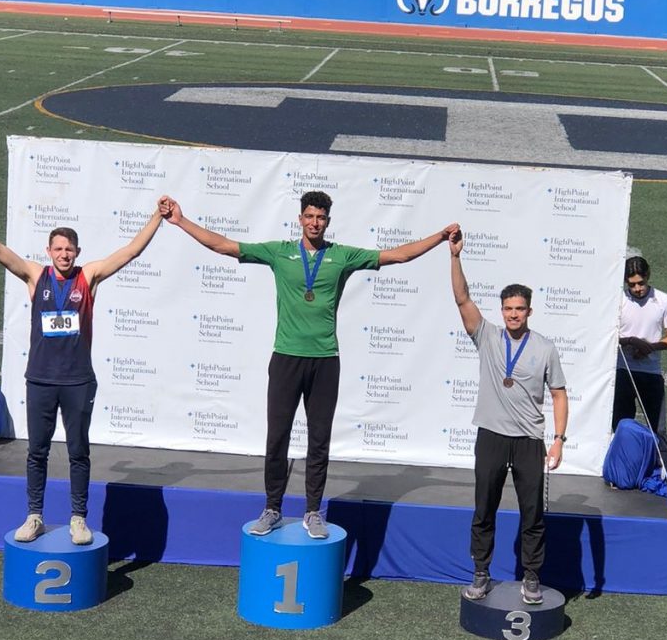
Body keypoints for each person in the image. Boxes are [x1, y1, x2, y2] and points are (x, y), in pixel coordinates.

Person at [159, 191, 458, 539]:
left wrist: (439, 237)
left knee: (319, 440)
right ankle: (272, 508)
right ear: (300, 219)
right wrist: (180, 221)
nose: (315, 223)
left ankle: (313, 511)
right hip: (286, 358)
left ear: (328, 221)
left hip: (325, 360)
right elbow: (224, 246)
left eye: (321, 218)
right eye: (310, 216)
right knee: (277, 438)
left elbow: (399, 255)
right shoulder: (279, 252)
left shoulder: (342, 256)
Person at [0, 183, 165, 545]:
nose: (64, 254)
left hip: (78, 381)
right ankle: (34, 516)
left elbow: (131, 251)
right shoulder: (35, 275)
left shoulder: (88, 277)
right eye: (58, 249)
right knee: (37, 452)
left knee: (78, 452)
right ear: (49, 251)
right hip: (40, 380)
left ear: (78, 252)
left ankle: (78, 519)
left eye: (69, 249)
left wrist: (158, 216)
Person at [449, 229, 568, 605]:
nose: (513, 314)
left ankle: (531, 576)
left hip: (530, 441)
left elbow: (559, 394)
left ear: (529, 311)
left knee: (532, 513)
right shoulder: (487, 336)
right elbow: (462, 298)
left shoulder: (545, 348)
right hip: (491, 436)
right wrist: (455, 257)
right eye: (508, 309)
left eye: (519, 309)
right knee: (484, 509)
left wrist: (558, 439)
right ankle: (481, 572)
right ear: (502, 311)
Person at [612, 255, 667, 470]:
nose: (637, 289)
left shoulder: (664, 300)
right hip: (622, 370)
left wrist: (650, 347)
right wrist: (630, 341)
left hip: (651, 371)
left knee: (658, 426)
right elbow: (607, 334)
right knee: (620, 425)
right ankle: (622, 469)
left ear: (648, 276)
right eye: (632, 285)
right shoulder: (617, 300)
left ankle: (663, 472)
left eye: (641, 283)